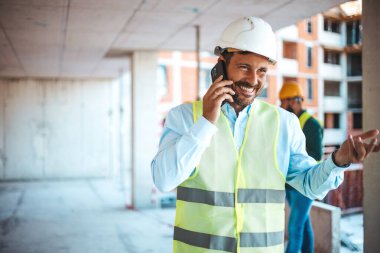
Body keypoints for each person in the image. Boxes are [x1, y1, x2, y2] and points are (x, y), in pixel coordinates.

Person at [151, 16, 379, 253]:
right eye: (244, 67)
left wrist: (337, 162)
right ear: (221, 65)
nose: (253, 80)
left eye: (262, 70)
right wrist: (206, 122)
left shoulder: (284, 123)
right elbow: (164, 180)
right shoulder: (184, 117)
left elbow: (309, 184)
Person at [279, 82, 323, 253]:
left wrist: (289, 159)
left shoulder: (311, 124)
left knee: (295, 228)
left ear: (294, 101)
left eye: (283, 101)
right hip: (291, 184)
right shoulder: (289, 123)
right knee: (303, 226)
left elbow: (317, 154)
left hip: (305, 185)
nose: (281, 105)